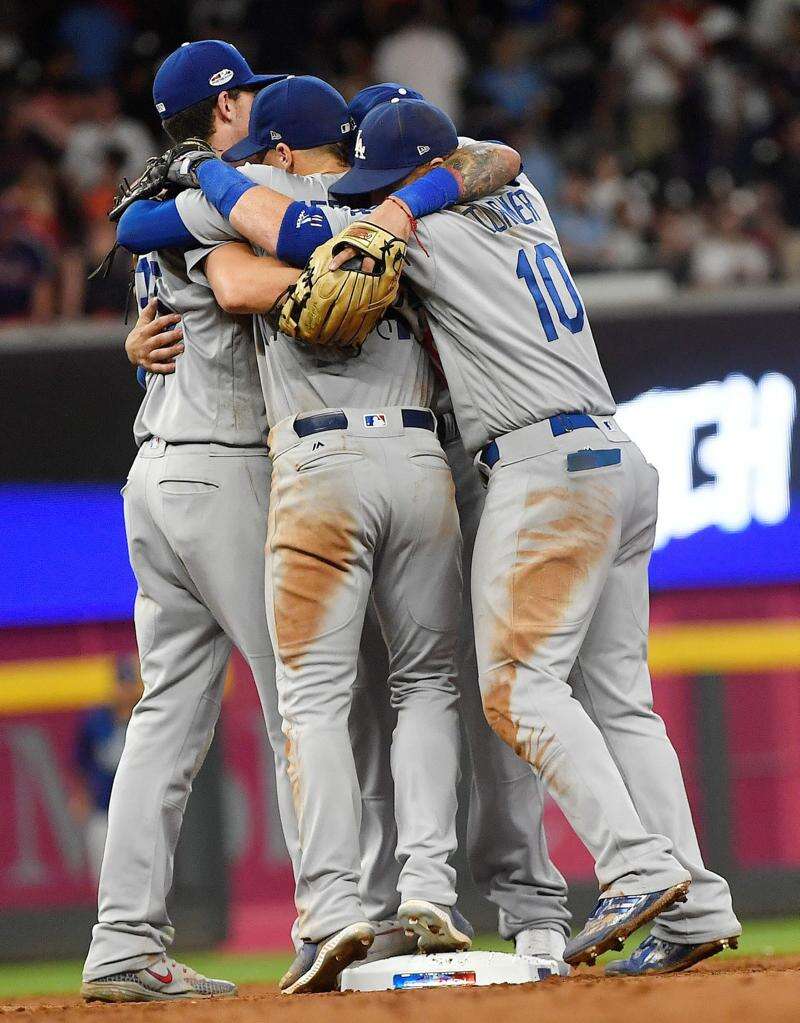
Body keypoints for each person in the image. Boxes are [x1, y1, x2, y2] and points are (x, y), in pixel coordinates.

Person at [192, 96, 741, 976]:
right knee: (622, 701)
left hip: (539, 462)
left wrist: (201, 181)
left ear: (412, 177)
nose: (378, 194)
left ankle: (636, 866)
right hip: (618, 453)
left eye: (389, 181)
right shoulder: (518, 199)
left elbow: (287, 256)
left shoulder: (417, 233)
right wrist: (427, 183)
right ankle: (699, 903)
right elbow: (501, 157)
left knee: (516, 688)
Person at [117, 79, 574, 981]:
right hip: (420, 465)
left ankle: (331, 909)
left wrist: (206, 177)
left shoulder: (251, 201)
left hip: (313, 472)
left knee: (314, 700)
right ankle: (430, 894)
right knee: (433, 687)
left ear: (280, 149)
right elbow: (495, 159)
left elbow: (149, 234)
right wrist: (398, 214)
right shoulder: (408, 207)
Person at [80, 40, 290, 1004]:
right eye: (244, 91)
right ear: (226, 107)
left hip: (156, 474)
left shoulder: (159, 201)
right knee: (306, 699)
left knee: (164, 718)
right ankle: (339, 920)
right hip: (223, 471)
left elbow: (148, 273)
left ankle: (123, 941)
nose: (255, 100)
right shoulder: (226, 191)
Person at [73, 657, 143, 879]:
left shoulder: (148, 719)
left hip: (141, 811)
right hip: (104, 810)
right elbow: (81, 762)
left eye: (129, 684)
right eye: (121, 684)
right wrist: (81, 796)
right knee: (105, 880)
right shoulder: (96, 721)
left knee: (144, 878)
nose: (125, 689)